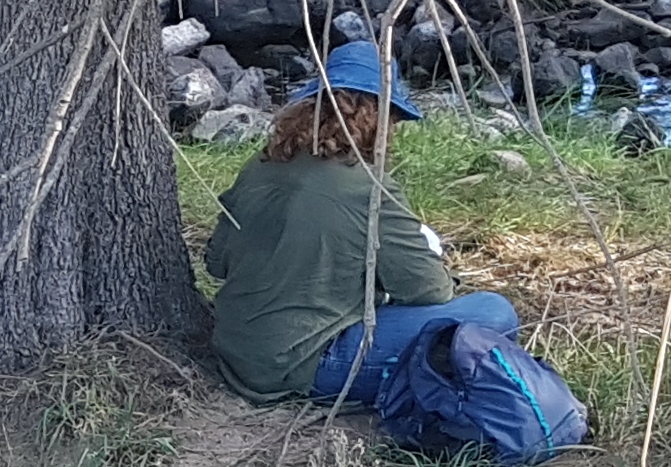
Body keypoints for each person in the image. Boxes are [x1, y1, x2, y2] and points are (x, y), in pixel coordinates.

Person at [203, 41, 528, 410]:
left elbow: (216, 262)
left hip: (235, 349)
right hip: (305, 363)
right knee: (494, 313)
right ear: (379, 117)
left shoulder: (258, 166)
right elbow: (429, 291)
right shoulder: (370, 189)